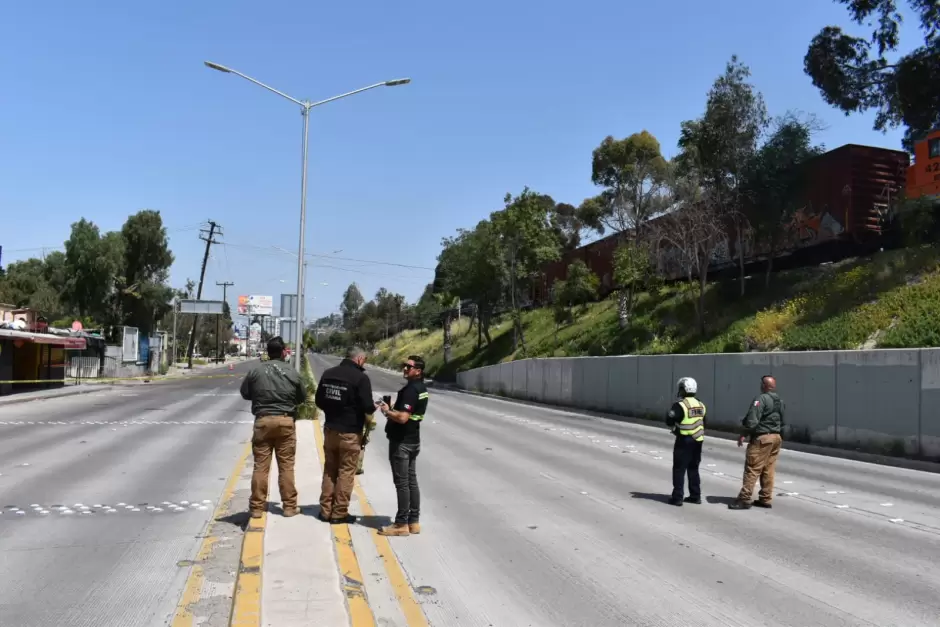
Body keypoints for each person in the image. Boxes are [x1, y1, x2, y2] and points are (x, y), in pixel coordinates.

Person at [240, 336, 306, 519]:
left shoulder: (256, 371)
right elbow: (302, 397)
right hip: (285, 421)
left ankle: (256, 508)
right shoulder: (291, 372)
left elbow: (245, 393)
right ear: (283, 351)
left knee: (261, 466)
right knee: (286, 466)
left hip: (263, 421)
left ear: (267, 352)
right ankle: (289, 507)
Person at [315, 346, 375, 524]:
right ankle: (339, 513)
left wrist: (333, 411)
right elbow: (368, 407)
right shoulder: (361, 378)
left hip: (330, 429)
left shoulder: (328, 374)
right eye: (364, 360)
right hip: (350, 433)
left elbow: (319, 401)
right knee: (346, 473)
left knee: (330, 470)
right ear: (359, 359)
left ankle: (325, 511)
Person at [375, 355, 429, 536]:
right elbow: (410, 413)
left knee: (402, 483)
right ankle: (414, 521)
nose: (405, 369)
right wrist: (392, 409)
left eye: (409, 366)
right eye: (404, 365)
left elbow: (403, 418)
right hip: (414, 440)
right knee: (411, 481)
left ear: (418, 371)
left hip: (402, 442)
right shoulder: (422, 389)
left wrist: (387, 411)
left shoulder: (411, 390)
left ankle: (400, 524)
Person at [729, 375, 786, 510]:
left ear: (764, 385)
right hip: (776, 437)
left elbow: (752, 420)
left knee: (752, 469)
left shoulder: (761, 399)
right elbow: (782, 420)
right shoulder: (780, 400)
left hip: (762, 438)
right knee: (768, 469)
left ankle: (744, 499)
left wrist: (744, 433)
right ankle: (765, 498)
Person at [665, 377, 706, 506]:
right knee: (693, 468)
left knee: (679, 469)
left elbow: (669, 420)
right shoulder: (701, 404)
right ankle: (695, 495)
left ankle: (677, 497)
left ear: (683, 389)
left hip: (684, 440)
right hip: (698, 440)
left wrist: (674, 425)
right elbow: (704, 422)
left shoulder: (680, 405)